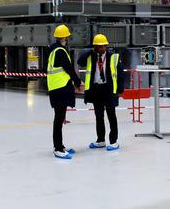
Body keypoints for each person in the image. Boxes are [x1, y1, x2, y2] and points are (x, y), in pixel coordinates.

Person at [78, 34, 125, 151]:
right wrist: (89, 51)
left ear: (106, 46)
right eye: (97, 46)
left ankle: (114, 141)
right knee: (99, 116)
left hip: (108, 90)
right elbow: (80, 61)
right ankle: (101, 140)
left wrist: (120, 90)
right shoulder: (91, 56)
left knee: (111, 116)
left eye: (101, 46)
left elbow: (120, 75)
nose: (99, 49)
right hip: (96, 89)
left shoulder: (113, 57)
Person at [46, 24, 82, 159]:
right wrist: (78, 82)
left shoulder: (53, 49)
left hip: (56, 87)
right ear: (66, 36)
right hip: (60, 87)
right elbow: (69, 68)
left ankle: (60, 145)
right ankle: (58, 148)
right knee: (59, 118)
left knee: (59, 118)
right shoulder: (60, 51)